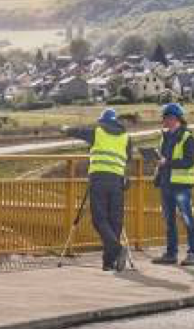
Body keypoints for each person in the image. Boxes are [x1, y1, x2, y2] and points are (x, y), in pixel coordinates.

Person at [63, 109, 133, 272]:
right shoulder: (126, 137)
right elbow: (128, 159)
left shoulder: (98, 132)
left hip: (99, 180)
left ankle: (117, 249)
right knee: (115, 221)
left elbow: (77, 132)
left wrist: (65, 129)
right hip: (117, 181)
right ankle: (108, 262)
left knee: (99, 219)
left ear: (103, 121)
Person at [152, 103, 194, 267]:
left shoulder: (187, 137)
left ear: (174, 118)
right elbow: (163, 160)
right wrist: (158, 169)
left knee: (187, 219)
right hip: (166, 184)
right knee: (169, 221)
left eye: (165, 118)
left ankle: (193, 254)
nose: (163, 121)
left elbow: (189, 161)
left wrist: (167, 162)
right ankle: (171, 254)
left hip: (181, 185)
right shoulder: (164, 137)